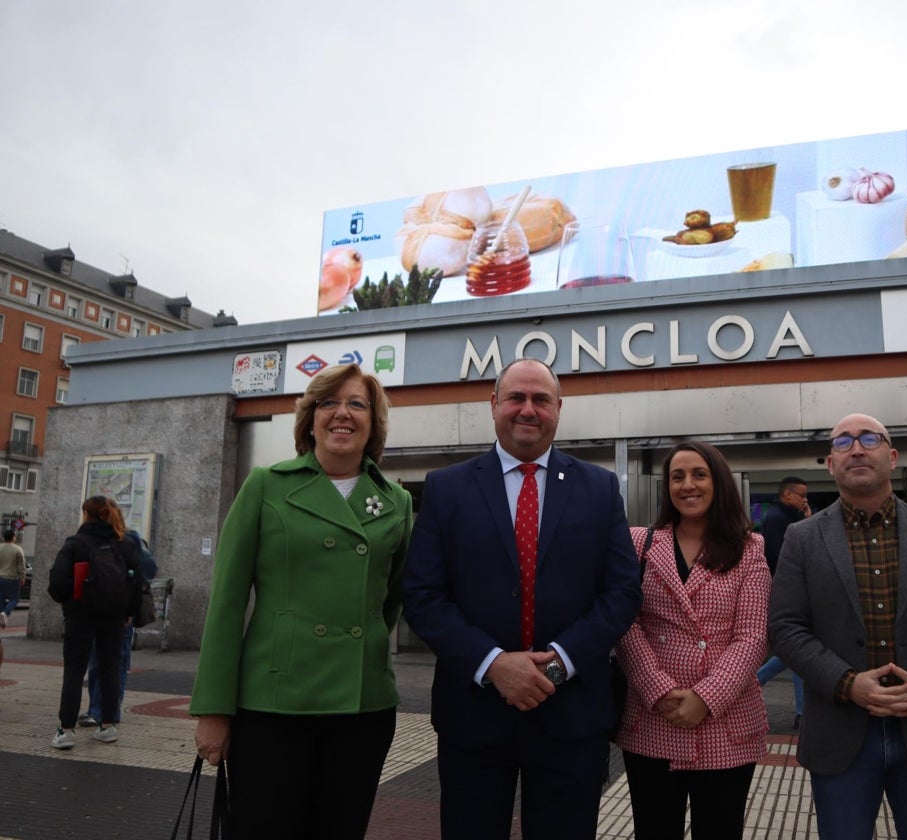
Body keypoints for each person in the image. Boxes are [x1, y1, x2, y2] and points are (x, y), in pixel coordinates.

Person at [402, 357, 643, 840]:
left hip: (571, 714)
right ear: (493, 405)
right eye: (516, 397)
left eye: (540, 399)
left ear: (558, 409)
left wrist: (556, 665)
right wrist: (493, 663)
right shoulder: (446, 488)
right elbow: (422, 595)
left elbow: (621, 592)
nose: (527, 409)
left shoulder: (598, 488)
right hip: (473, 712)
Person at [190, 363, 413, 839]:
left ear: (373, 422)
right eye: (328, 403)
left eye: (357, 404)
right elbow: (227, 605)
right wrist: (213, 709)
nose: (342, 414)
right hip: (273, 708)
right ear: (309, 419)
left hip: (362, 710)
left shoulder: (395, 501)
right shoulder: (266, 485)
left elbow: (388, 601)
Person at [768, 414, 907, 840]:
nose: (856, 448)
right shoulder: (803, 539)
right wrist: (847, 682)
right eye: (842, 442)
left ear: (892, 456)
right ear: (831, 465)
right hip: (840, 733)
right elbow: (786, 628)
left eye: (869, 438)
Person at [614, 441, 771, 840]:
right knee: (654, 830)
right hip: (652, 717)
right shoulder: (639, 543)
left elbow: (753, 636)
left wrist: (706, 697)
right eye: (677, 476)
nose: (688, 485)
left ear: (718, 482)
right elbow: (624, 623)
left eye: (699, 474)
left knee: (720, 830)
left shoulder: (749, 548)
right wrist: (657, 688)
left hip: (726, 722)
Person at [46, 495, 140, 748]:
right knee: (110, 669)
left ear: (86, 515)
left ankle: (66, 731)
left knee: (75, 671)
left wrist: (71, 599)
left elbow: (56, 583)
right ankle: (107, 726)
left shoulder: (76, 544)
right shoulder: (123, 544)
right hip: (114, 618)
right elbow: (137, 582)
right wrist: (128, 612)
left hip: (80, 617)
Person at [78, 525, 158, 727]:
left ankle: (104, 711)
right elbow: (148, 569)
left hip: (112, 611)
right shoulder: (119, 539)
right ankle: (99, 710)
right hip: (112, 609)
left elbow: (148, 568)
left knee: (109, 662)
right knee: (105, 661)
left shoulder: (125, 538)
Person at [756, 476, 809, 728]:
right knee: (797, 646)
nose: (804, 499)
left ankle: (801, 710)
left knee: (795, 649)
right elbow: (780, 557)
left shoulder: (789, 517)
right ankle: (801, 711)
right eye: (800, 495)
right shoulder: (778, 518)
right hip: (787, 593)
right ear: (787, 494)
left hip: (791, 592)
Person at [0, 528, 26, 630]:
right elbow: (21, 566)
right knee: (15, 598)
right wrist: (22, 578)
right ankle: (5, 613)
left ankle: (2, 620)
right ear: (13, 538)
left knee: (0, 599)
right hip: (11, 578)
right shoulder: (17, 549)